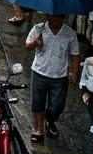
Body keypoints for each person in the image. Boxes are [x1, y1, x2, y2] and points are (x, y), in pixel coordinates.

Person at [25, 14, 81, 142]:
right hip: (39, 72)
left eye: (55, 17)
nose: (52, 19)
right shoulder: (38, 29)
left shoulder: (70, 34)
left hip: (60, 76)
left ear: (62, 17)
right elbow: (27, 46)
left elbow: (75, 56)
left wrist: (75, 73)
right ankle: (39, 129)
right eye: (50, 17)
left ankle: (50, 120)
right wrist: (35, 43)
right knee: (38, 102)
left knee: (57, 105)